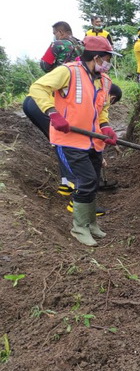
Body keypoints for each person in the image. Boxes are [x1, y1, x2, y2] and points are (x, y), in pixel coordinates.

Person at [27, 36, 121, 246]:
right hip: (70, 140)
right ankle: (79, 228)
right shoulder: (68, 71)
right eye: (107, 58)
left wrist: (105, 126)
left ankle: (91, 224)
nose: (109, 63)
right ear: (96, 57)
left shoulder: (104, 80)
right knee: (86, 181)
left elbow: (101, 109)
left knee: (93, 182)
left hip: (94, 141)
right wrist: (52, 113)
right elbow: (38, 88)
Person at [23, 83, 123, 208]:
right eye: (112, 102)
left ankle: (66, 184)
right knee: (62, 143)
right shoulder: (98, 97)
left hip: (32, 103)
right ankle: (78, 194)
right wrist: (98, 154)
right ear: (112, 98)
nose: (108, 106)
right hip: (41, 105)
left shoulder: (93, 91)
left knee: (59, 143)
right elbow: (90, 128)